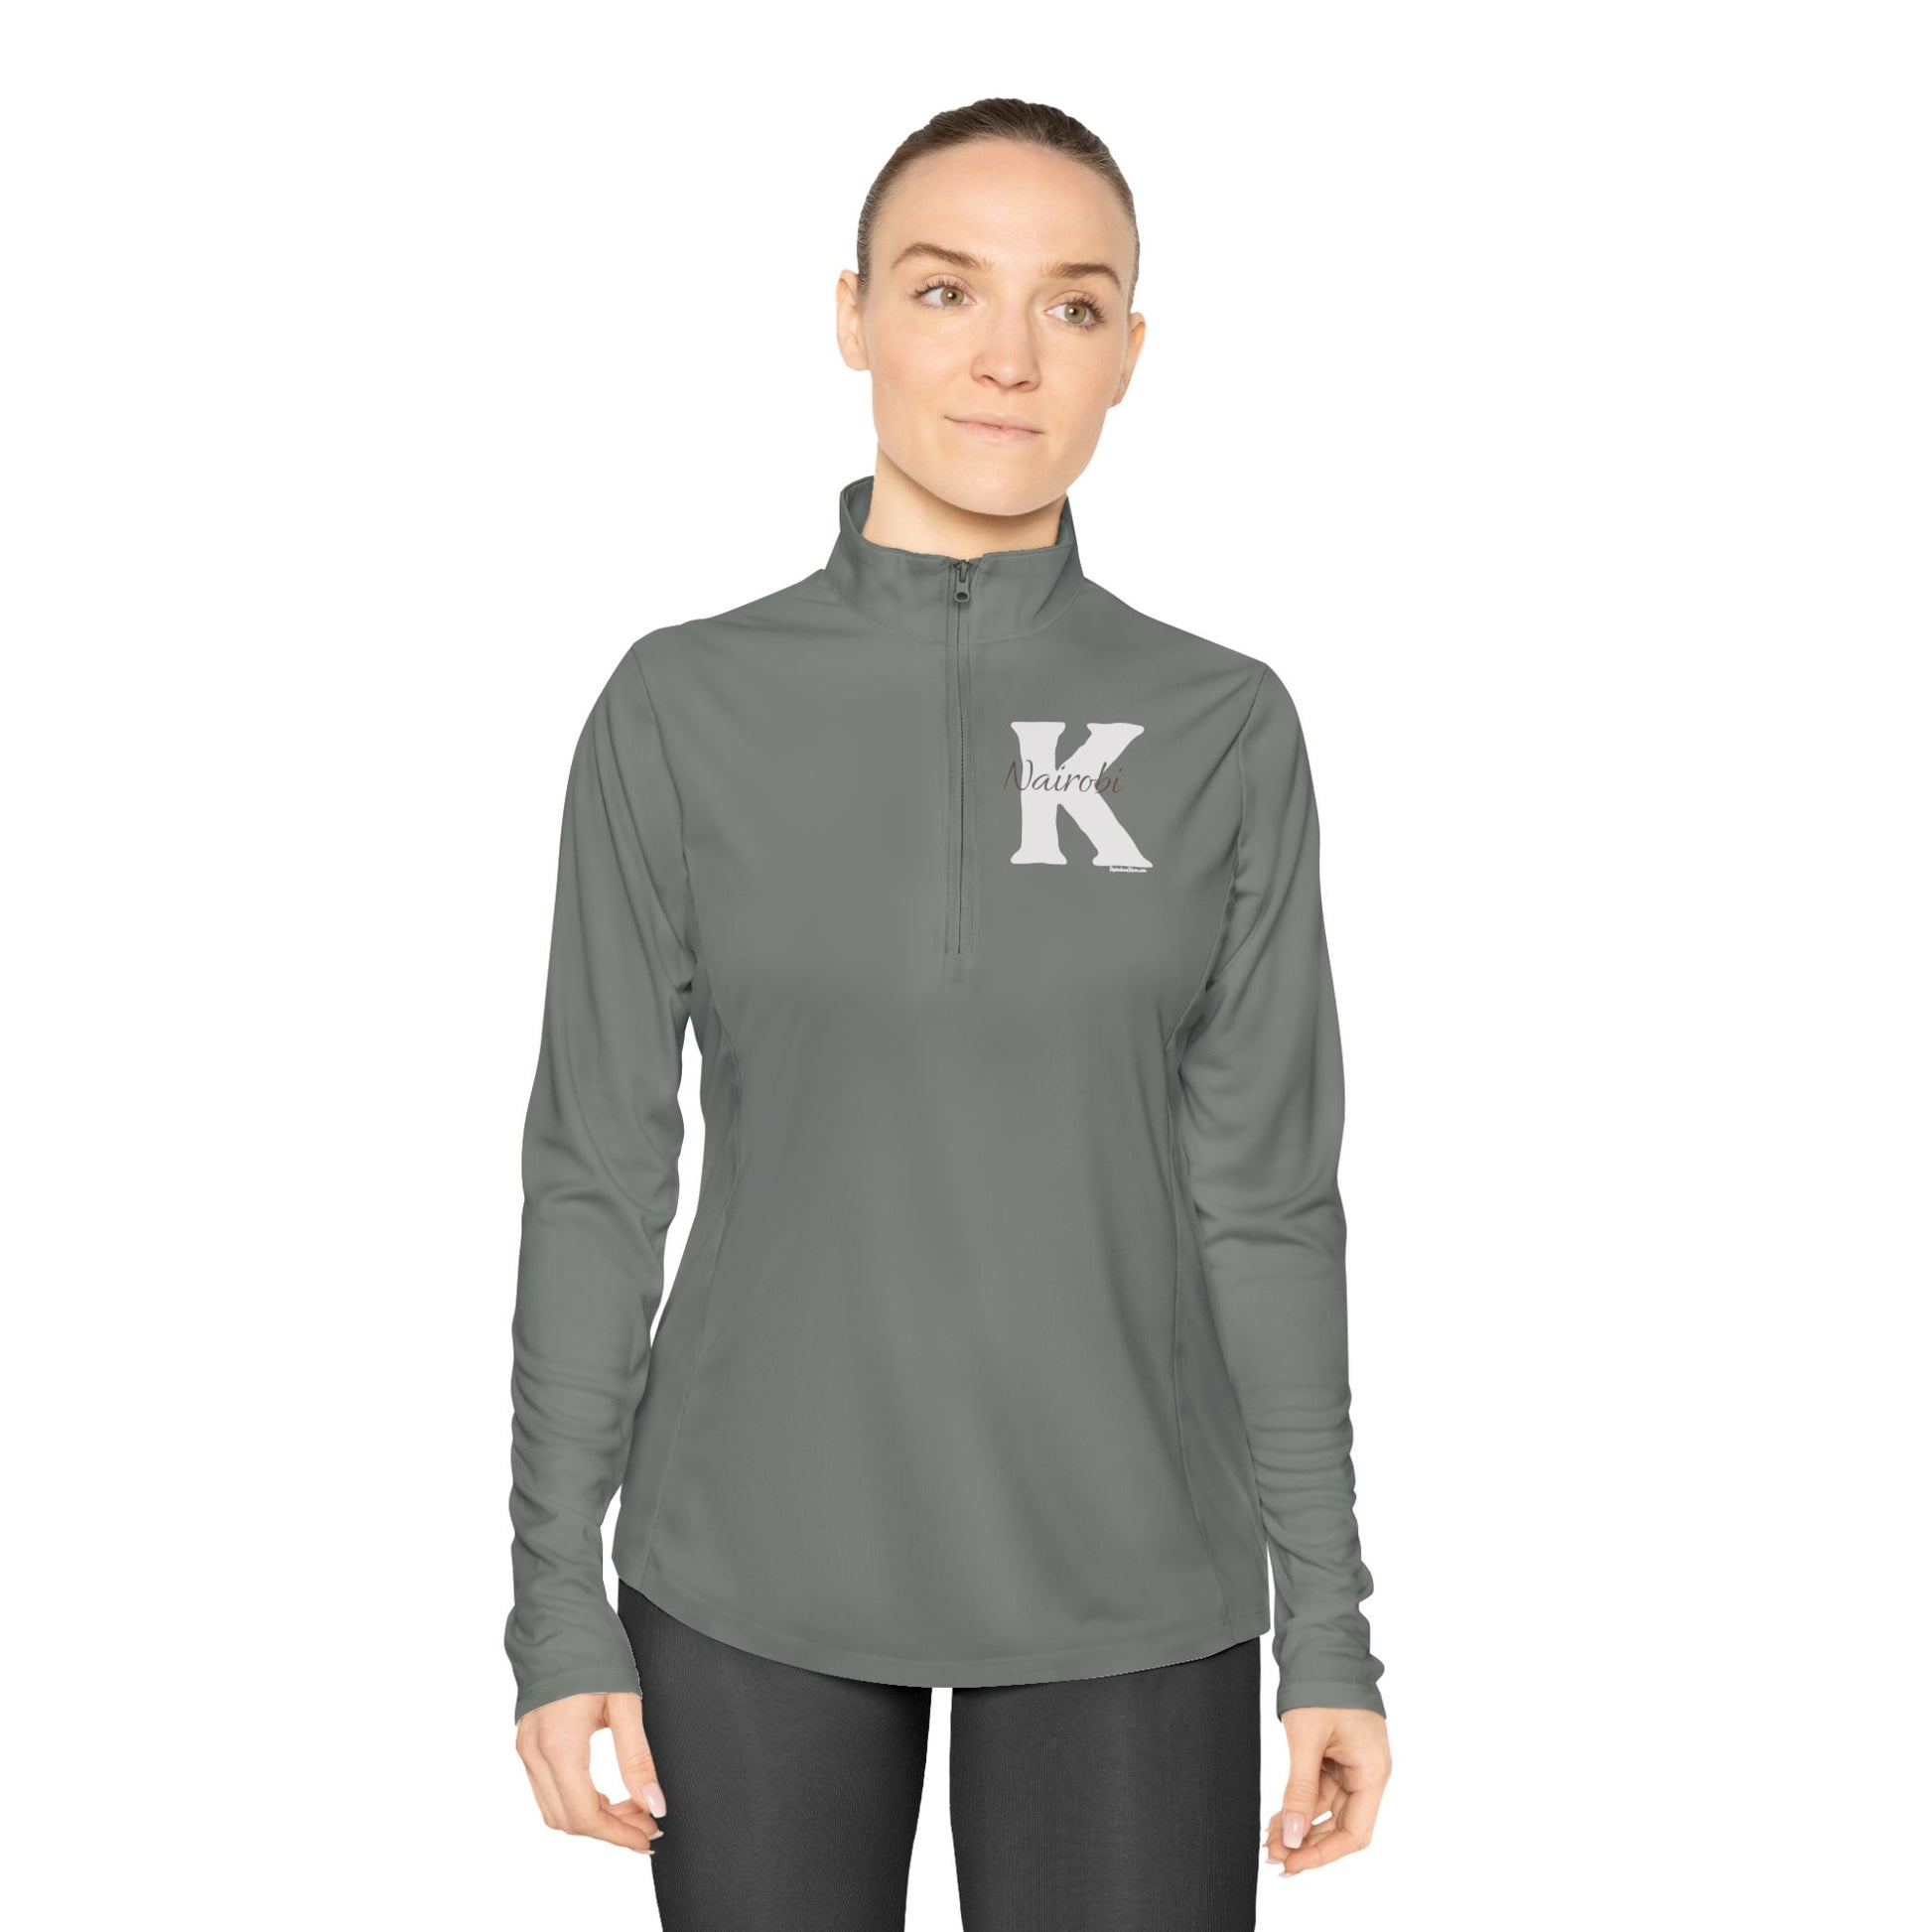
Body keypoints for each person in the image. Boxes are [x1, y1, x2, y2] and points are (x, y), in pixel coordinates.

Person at [505, 95, 1392, 1930]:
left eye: (1070, 304)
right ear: (850, 317)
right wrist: (554, 1602)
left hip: (1130, 1582)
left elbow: (1267, 1201)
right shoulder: (679, 708)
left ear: (1129, 351)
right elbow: (596, 1173)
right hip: (745, 1574)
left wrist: (1329, 1622)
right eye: (941, 290)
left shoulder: (1221, 726)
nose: (1007, 357)